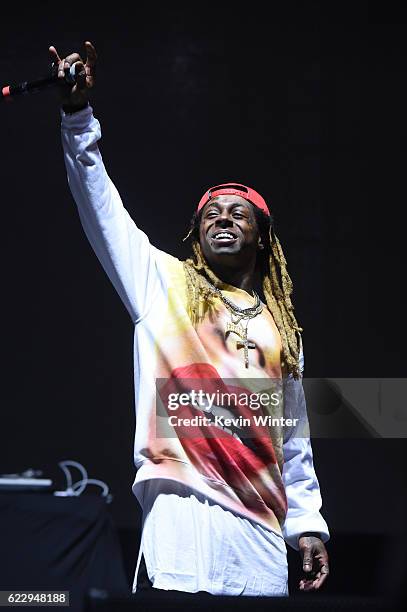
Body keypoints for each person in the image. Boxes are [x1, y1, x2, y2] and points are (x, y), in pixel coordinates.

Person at [49, 40, 330, 597]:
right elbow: (101, 208)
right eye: (211, 214)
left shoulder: (280, 329)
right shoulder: (162, 285)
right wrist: (78, 118)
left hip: (260, 539)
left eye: (238, 213)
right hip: (181, 520)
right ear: (197, 234)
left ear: (262, 236)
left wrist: (308, 522)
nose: (222, 220)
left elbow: (293, 439)